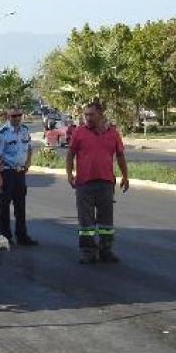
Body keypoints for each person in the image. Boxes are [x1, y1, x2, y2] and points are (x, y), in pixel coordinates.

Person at [66, 101, 129, 264]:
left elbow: (120, 156)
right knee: (85, 221)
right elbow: (70, 154)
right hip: (84, 184)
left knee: (106, 221)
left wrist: (125, 176)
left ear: (101, 115)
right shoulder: (79, 132)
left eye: (91, 115)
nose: (87, 118)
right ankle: (88, 252)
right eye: (85, 115)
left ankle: (106, 251)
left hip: (106, 183)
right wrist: (69, 174)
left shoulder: (113, 134)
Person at [0, 106, 38, 246]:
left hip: (19, 173)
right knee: (4, 207)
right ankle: (5, 238)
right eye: (13, 116)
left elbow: (29, 148)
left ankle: (22, 236)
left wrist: (28, 164)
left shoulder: (24, 130)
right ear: (8, 117)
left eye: (19, 115)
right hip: (7, 172)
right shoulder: (3, 133)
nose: (17, 118)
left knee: (20, 206)